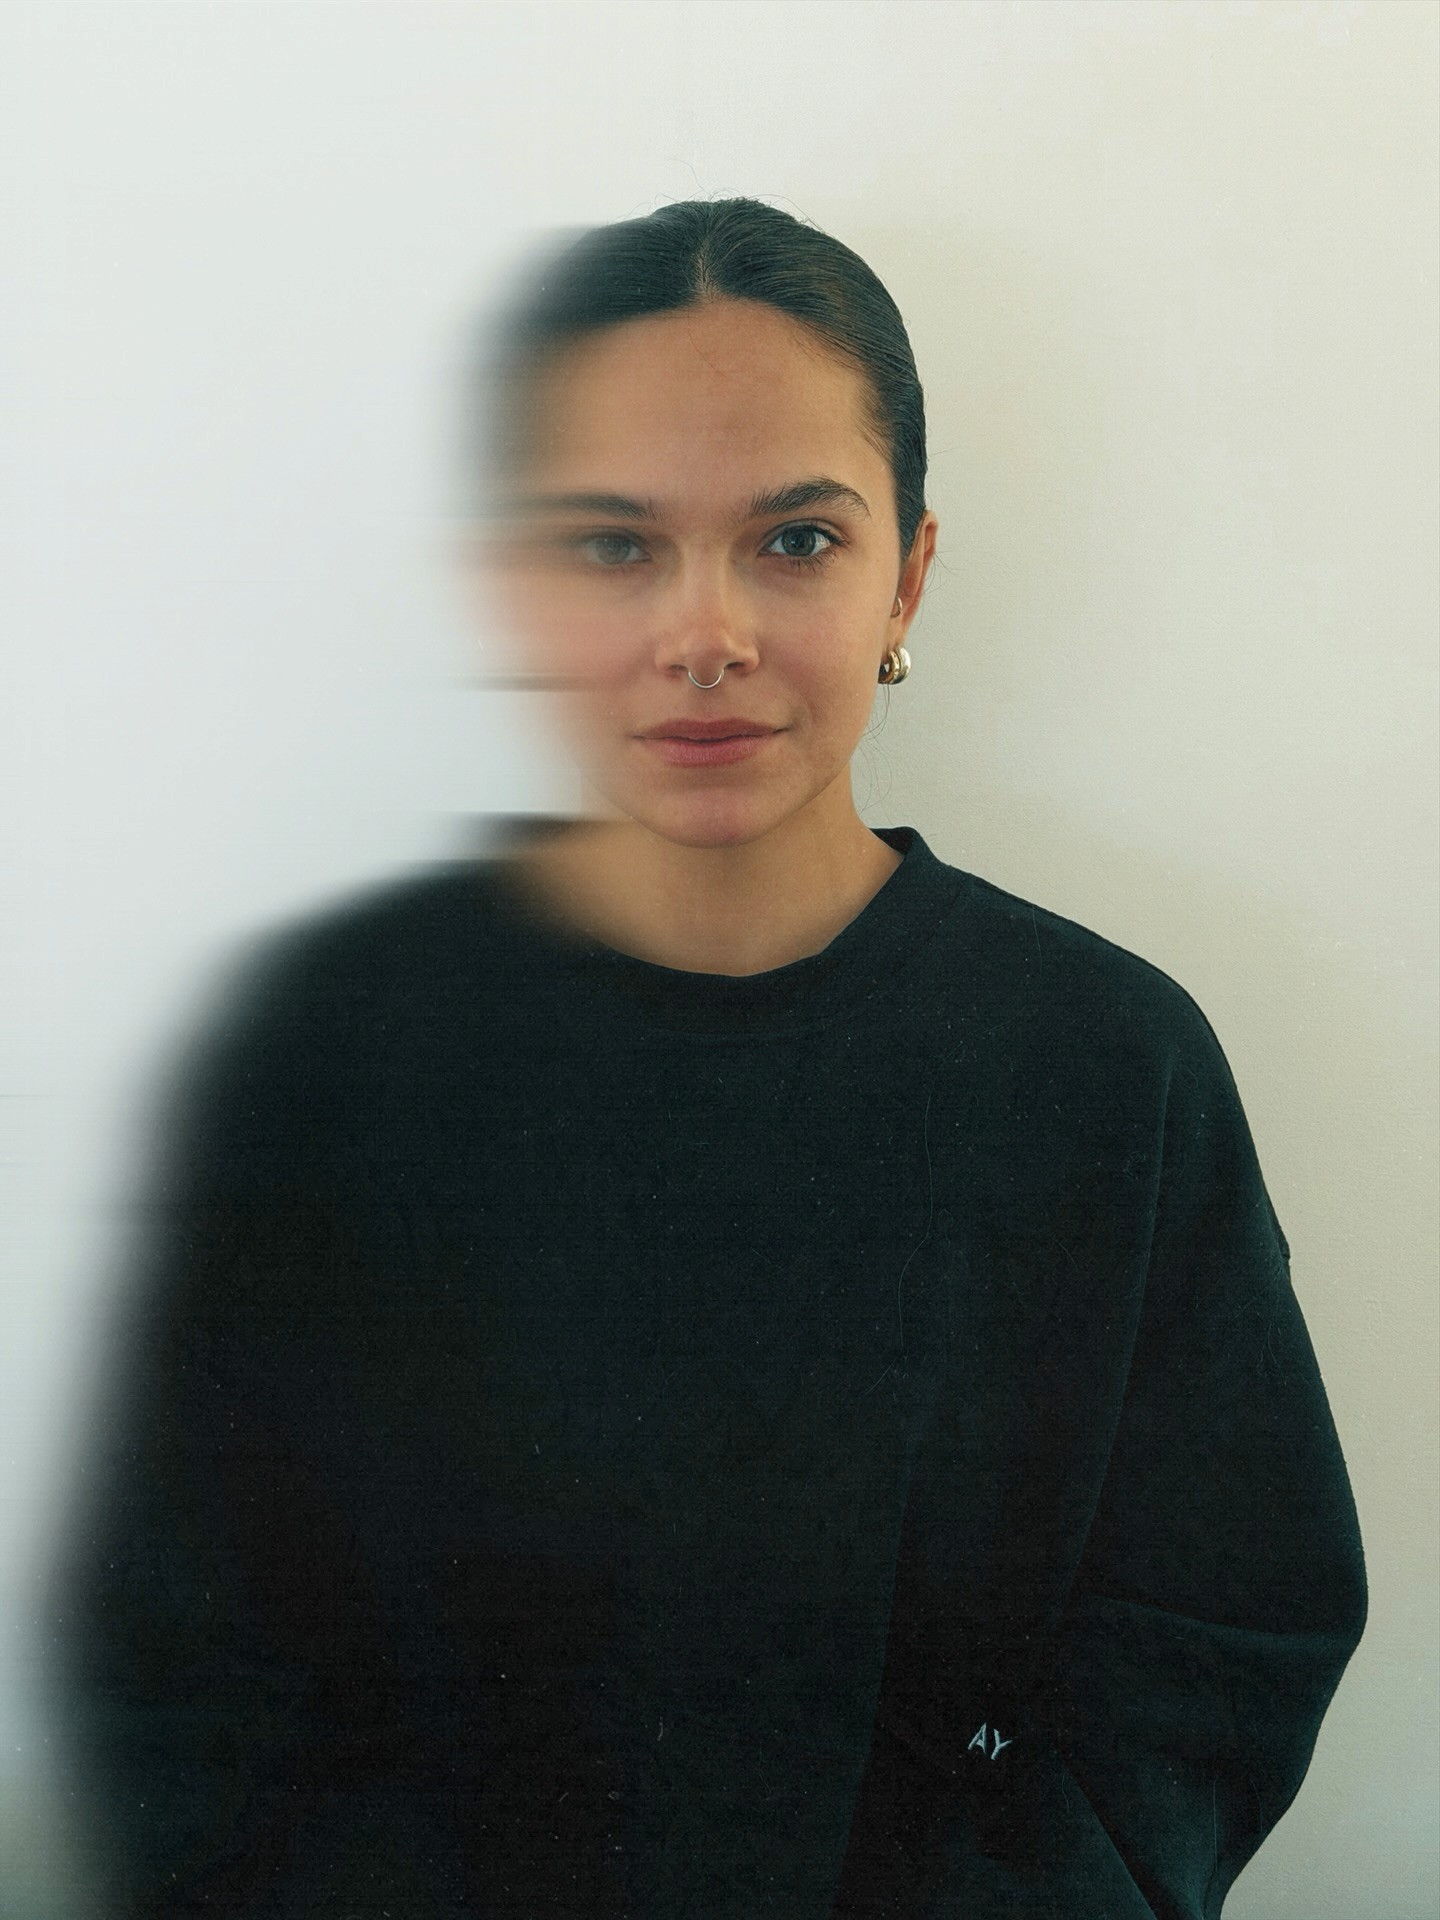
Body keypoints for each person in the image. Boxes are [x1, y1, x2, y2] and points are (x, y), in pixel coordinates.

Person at [47, 199, 1366, 1918]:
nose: (706, 632)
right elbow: (176, 1649)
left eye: (796, 540)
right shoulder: (330, 1055)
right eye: (613, 546)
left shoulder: (1106, 1067)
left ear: (908, 576)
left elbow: (1221, 1633)